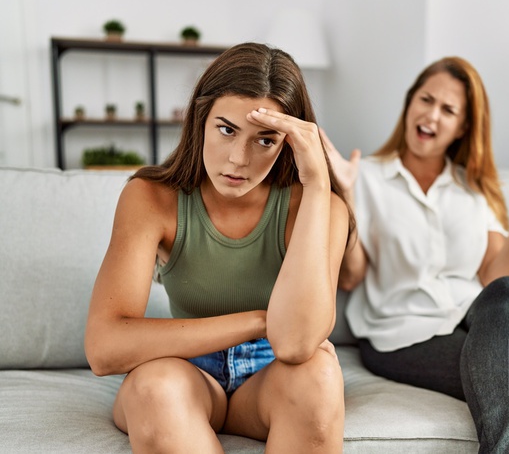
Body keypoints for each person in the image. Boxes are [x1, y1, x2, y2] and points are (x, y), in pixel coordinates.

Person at [84, 42, 351, 454]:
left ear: (289, 143)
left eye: (265, 139)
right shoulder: (151, 197)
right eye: (226, 129)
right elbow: (104, 347)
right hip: (185, 367)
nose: (238, 159)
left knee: (318, 376)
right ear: (200, 120)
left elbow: (296, 345)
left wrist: (318, 186)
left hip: (272, 377)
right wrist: (260, 321)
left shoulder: (318, 207)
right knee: (154, 390)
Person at [323, 56, 509, 453]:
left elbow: (494, 278)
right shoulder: (364, 177)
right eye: (426, 99)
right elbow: (349, 277)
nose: (432, 114)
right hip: (402, 334)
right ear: (409, 101)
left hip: (475, 320)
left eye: (448, 110)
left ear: (463, 126)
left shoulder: (473, 187)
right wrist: (344, 197)